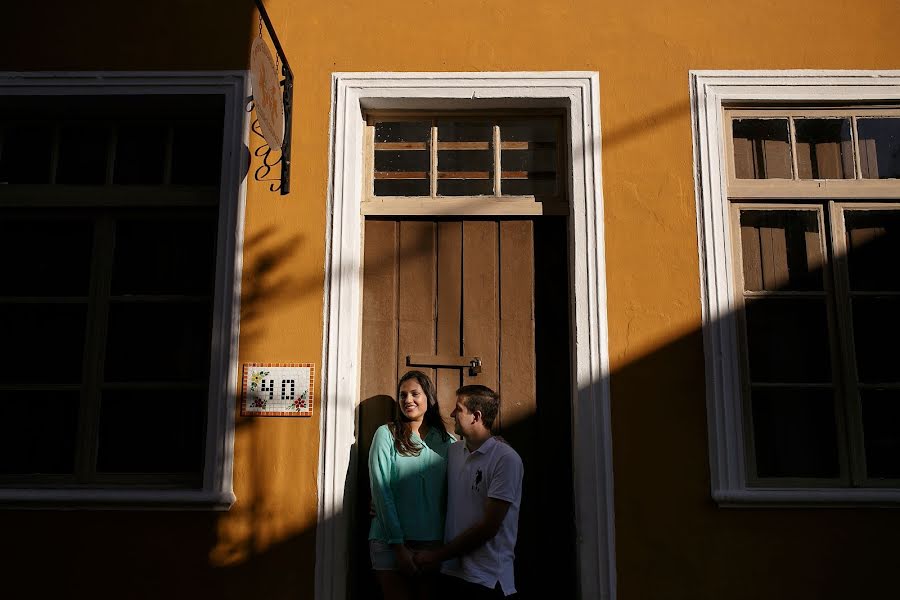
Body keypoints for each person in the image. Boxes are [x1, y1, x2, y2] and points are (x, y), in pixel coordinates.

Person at [413, 384, 524, 599]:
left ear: (476, 416)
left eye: (459, 409)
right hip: (452, 574)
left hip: (488, 579)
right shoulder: (454, 451)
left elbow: (489, 527)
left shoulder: (506, 459)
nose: (453, 414)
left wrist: (436, 556)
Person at [368, 370, 455, 600]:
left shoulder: (449, 443)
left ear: (428, 396)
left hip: (432, 545)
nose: (408, 400)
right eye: (402, 395)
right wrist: (398, 547)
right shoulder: (386, 435)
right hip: (389, 542)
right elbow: (381, 489)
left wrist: (495, 442)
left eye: (414, 393)